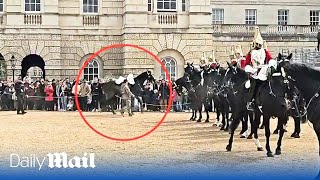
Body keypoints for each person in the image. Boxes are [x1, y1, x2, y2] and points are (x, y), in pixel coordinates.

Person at [244, 27, 273, 110]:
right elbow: (247, 63)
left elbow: (270, 59)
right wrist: (251, 69)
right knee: (253, 86)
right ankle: (250, 102)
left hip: (263, 71)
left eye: (260, 44)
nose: (258, 45)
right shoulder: (251, 52)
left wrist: (270, 65)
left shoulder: (265, 51)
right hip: (254, 72)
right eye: (257, 44)